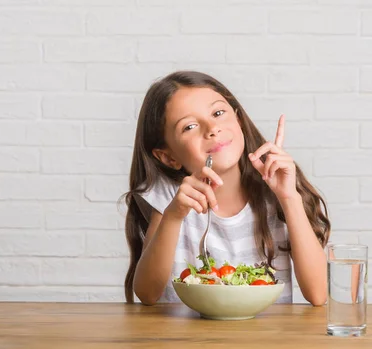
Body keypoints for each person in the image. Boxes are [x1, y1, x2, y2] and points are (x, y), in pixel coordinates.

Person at [122, 71, 331, 306]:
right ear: (168, 156)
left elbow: (318, 294)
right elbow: (147, 294)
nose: (212, 128)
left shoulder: (277, 193)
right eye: (189, 126)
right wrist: (173, 216)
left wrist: (289, 197)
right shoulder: (172, 198)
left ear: (238, 120)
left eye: (218, 113)